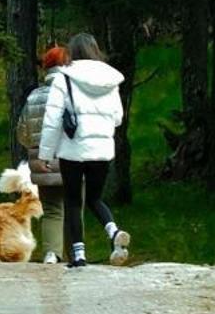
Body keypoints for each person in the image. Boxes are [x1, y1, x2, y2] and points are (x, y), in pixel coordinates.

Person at [37, 32, 133, 269]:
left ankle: (79, 256)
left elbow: (52, 119)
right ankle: (113, 232)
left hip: (73, 150)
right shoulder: (110, 81)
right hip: (102, 150)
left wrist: (45, 155)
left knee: (72, 201)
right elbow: (118, 118)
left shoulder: (64, 78)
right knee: (94, 198)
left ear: (73, 52)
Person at [14, 45, 70, 263]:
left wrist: (34, 146)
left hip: (43, 161)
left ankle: (51, 253)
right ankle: (76, 251)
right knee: (74, 205)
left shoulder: (34, 96)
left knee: (52, 208)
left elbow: (22, 132)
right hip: (71, 156)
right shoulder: (73, 93)